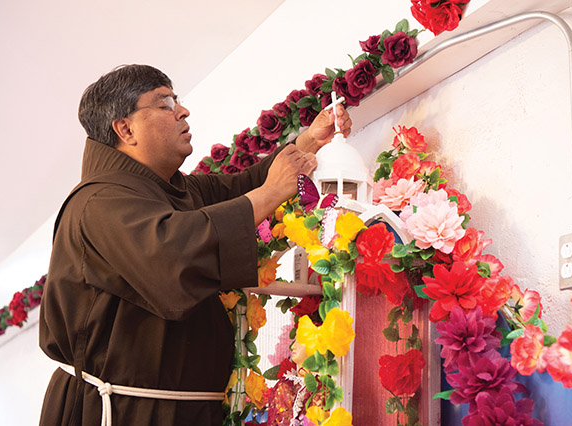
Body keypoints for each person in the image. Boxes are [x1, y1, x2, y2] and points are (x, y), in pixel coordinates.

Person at [38, 64, 352, 426]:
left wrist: (310, 141)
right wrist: (270, 193)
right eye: (165, 103)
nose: (182, 111)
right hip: (121, 411)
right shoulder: (99, 203)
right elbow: (172, 256)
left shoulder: (176, 189)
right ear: (125, 129)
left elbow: (243, 187)